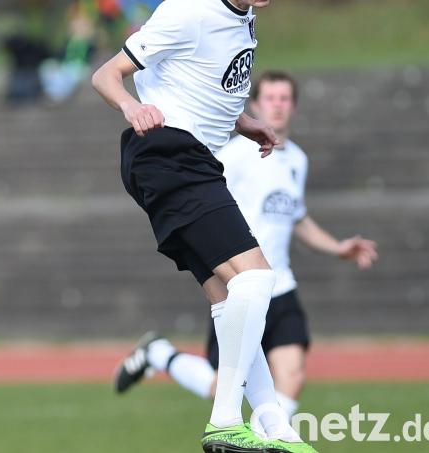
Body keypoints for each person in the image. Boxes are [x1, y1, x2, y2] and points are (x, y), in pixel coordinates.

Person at [91, 0, 317, 451]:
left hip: (191, 159)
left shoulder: (244, 16)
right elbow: (106, 74)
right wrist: (131, 108)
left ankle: (276, 429)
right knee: (256, 278)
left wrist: (246, 123)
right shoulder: (188, 10)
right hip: (169, 154)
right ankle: (225, 421)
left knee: (230, 297)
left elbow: (200, 87)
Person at [113, 71, 379, 434]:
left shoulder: (297, 160)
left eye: (285, 99)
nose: (277, 105)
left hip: (280, 287)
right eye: (270, 98)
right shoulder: (233, 153)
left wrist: (338, 247)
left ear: (294, 107)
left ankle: (268, 437)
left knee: (292, 376)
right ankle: (161, 354)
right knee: (223, 386)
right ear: (254, 103)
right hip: (241, 284)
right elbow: (204, 203)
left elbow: (296, 216)